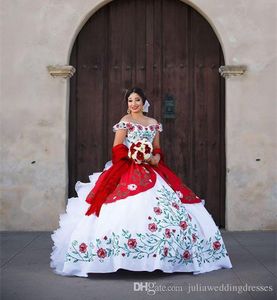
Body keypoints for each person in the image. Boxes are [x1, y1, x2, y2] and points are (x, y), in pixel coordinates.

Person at [50, 87, 232, 277]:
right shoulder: (125, 122)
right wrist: (133, 156)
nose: (133, 104)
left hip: (152, 170)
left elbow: (157, 148)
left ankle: (166, 256)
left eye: (137, 100)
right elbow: (117, 148)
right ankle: (117, 258)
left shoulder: (153, 123)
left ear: (143, 102)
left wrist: (155, 158)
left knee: (171, 207)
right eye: (130, 100)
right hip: (129, 167)